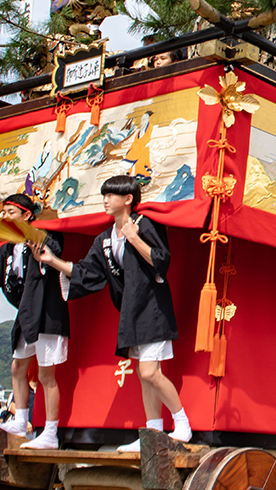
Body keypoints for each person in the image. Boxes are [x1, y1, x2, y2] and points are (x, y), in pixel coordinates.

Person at [44, 174, 189, 451]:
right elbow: (87, 272)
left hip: (153, 308)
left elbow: (161, 261)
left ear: (128, 199)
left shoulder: (143, 224)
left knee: (149, 372)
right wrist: (54, 261)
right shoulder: (105, 239)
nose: (105, 200)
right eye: (104, 195)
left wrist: (134, 239)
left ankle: (182, 422)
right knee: (143, 373)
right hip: (132, 311)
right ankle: (152, 433)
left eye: (111, 195)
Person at [0, 192, 69, 449]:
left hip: (47, 313)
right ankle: (20, 419)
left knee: (45, 374)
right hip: (26, 314)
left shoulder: (44, 236)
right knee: (18, 368)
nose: (4, 218)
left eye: (10, 213)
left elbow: (55, 252)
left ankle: (50, 431)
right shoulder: (8, 247)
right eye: (3, 214)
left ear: (27, 215)